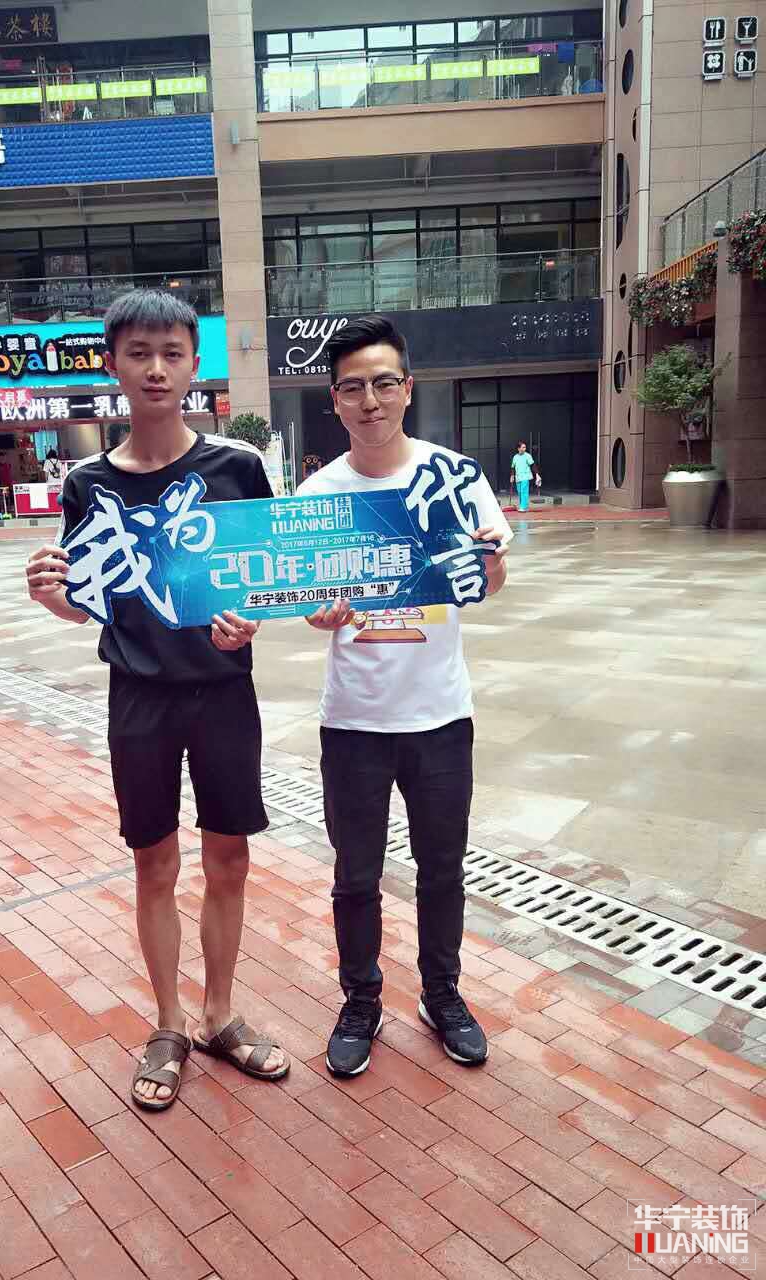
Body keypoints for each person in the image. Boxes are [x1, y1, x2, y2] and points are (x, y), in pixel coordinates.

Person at [25, 289, 288, 1110]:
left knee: (229, 857)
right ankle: (169, 1022)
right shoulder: (88, 484)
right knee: (155, 861)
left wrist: (251, 619)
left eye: (172, 353)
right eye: (138, 353)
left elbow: (266, 578)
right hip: (137, 695)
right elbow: (89, 601)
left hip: (223, 693)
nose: (156, 368)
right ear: (113, 365)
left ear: (194, 364)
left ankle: (219, 1013)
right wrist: (54, 599)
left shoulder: (237, 469)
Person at [296, 314, 511, 1077]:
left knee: (442, 869)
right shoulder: (318, 494)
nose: (371, 401)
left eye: (384, 384)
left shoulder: (455, 479)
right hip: (354, 720)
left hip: (440, 715)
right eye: (353, 388)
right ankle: (361, 1000)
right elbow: (311, 599)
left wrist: (487, 568)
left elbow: (492, 577)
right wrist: (321, 612)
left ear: (407, 389)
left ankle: (442, 995)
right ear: (335, 399)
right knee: (355, 876)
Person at [510, 441, 540, 512]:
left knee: (524, 491)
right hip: (518, 477)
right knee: (520, 492)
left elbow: (533, 465)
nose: (524, 449)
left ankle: (523, 507)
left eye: (525, 447)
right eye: (523, 447)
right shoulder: (515, 457)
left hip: (525, 476)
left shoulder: (528, 456)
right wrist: (512, 476)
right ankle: (524, 506)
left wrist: (537, 474)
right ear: (518, 448)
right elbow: (513, 467)